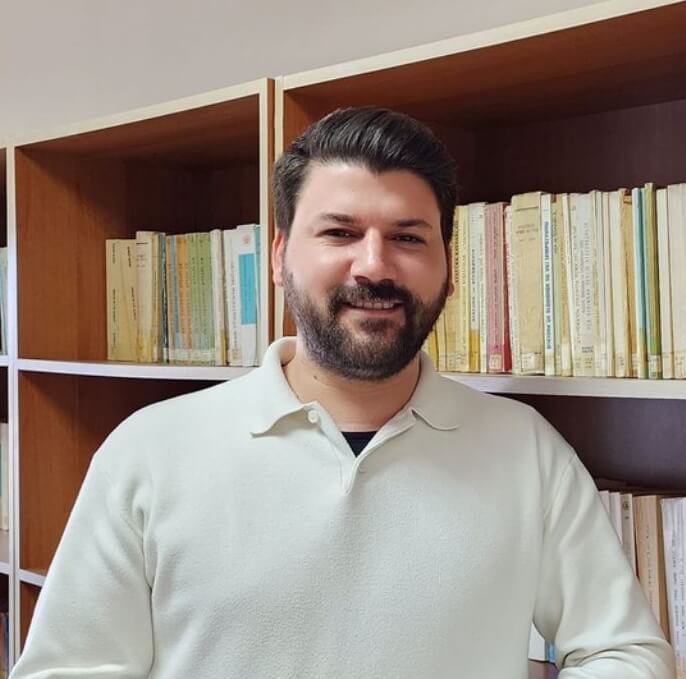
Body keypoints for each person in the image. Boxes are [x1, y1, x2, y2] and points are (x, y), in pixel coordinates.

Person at [11, 107, 674, 679]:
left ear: (449, 270)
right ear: (279, 258)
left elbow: (625, 651)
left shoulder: (525, 448)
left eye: (408, 237)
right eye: (339, 232)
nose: (374, 265)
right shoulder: (149, 452)